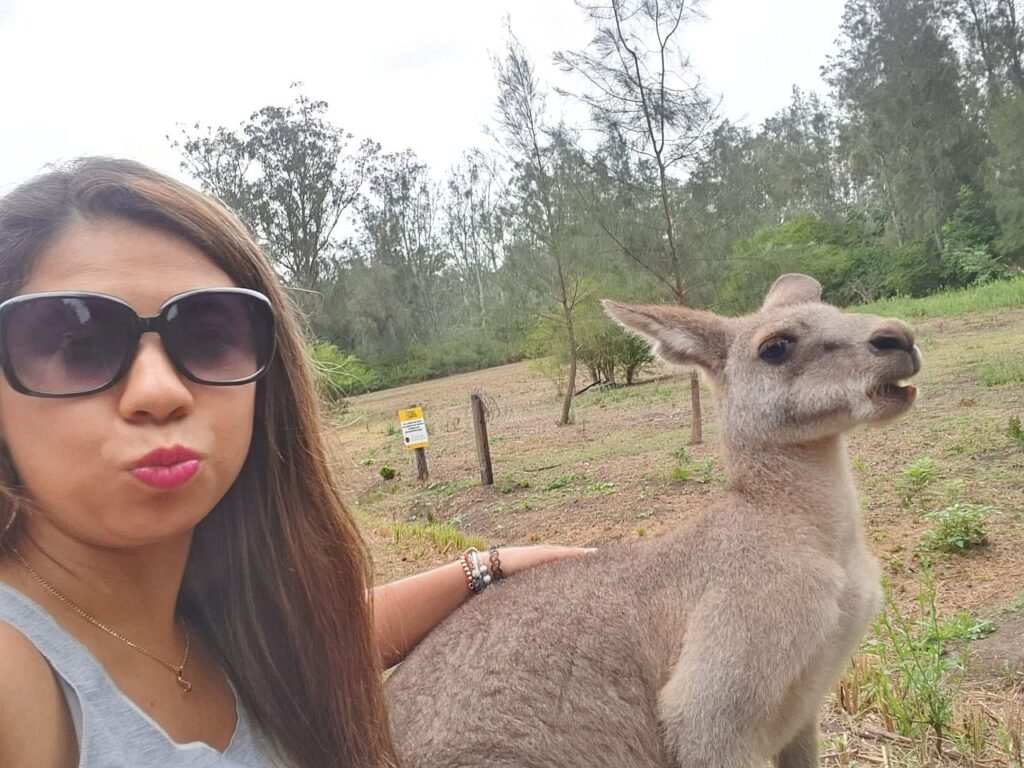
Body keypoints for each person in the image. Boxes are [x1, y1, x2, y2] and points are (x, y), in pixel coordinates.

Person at [0, 157, 591, 768]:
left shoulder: (207, 616)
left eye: (206, 337)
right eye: (79, 345)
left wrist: (484, 569)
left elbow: (306, 644)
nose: (160, 391)